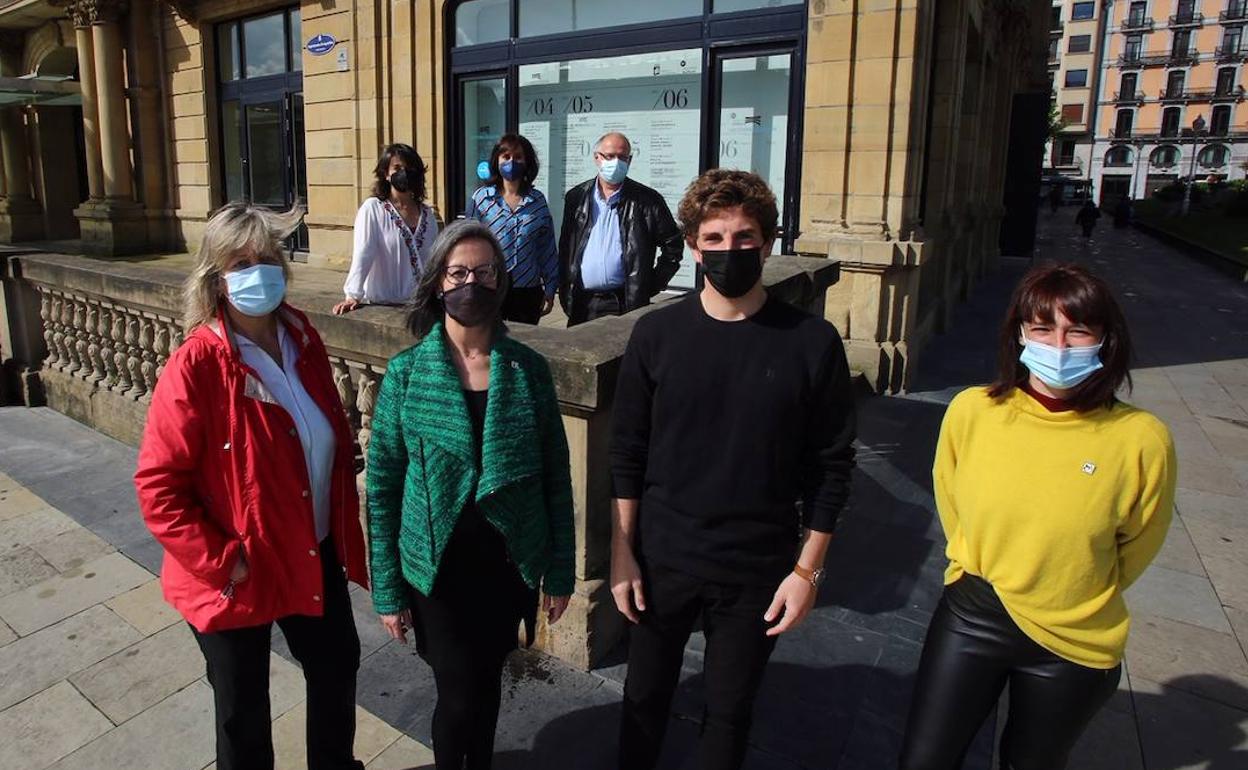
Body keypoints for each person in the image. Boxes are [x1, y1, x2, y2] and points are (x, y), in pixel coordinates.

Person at [609, 170, 856, 770]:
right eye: (713, 239)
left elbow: (831, 467)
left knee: (728, 714)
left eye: (743, 237)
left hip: (758, 566)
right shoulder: (657, 334)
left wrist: (807, 571)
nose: (728, 251)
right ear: (693, 247)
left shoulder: (812, 342)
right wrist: (622, 553)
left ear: (767, 242)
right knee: (643, 701)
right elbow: (628, 452)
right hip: (664, 555)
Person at [898, 263, 1176, 770]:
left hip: (1075, 640)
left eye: (1078, 330)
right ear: (1020, 332)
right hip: (974, 613)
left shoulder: (1141, 439)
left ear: (1105, 339)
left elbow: (1140, 540)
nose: (1060, 345)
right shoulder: (973, 411)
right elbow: (951, 497)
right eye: (1043, 328)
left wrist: (1070, 582)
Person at [134, 202, 370, 770]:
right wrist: (224, 561)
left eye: (266, 257)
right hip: (235, 568)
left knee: (337, 666)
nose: (257, 271)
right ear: (216, 277)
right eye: (240, 262)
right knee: (243, 712)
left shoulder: (301, 336)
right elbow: (158, 487)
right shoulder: (197, 364)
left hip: (310, 547)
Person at [366, 219, 575, 770]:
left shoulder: (528, 372)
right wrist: (387, 588)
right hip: (438, 573)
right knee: (456, 695)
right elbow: (383, 485)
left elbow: (556, 473)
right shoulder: (408, 374)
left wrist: (559, 570)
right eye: (458, 272)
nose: (471, 284)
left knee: (486, 688)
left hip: (507, 566)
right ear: (438, 282)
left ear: (500, 281)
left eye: (484, 272)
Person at [557, 132, 683, 326]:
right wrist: (565, 290)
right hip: (581, 302)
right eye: (610, 156)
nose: (616, 162)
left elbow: (673, 246)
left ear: (629, 160)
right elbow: (566, 247)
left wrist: (648, 286)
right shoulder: (577, 197)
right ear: (597, 158)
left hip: (622, 303)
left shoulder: (647, 200)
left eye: (622, 157)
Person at [464, 134, 559, 324]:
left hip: (527, 291)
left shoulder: (537, 201)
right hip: (489, 286)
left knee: (523, 347)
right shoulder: (481, 199)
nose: (511, 162)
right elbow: (468, 244)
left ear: (527, 162)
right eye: (506, 157)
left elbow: (546, 247)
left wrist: (550, 287)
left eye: (518, 157)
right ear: (496, 161)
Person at [335, 144, 439, 314]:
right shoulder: (373, 209)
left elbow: (435, 260)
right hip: (384, 305)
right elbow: (363, 252)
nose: (403, 172)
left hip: (420, 307)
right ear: (386, 174)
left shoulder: (427, 214)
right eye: (397, 168)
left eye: (409, 168)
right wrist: (353, 294)